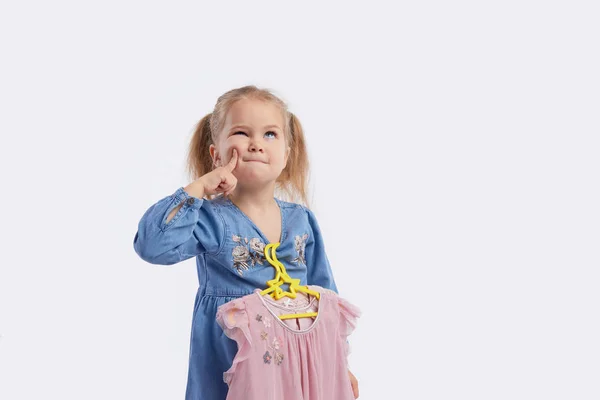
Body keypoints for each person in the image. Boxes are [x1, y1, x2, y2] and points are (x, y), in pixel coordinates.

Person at [133, 85, 359, 399]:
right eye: (241, 132)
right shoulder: (211, 220)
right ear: (216, 154)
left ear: (286, 155)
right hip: (233, 358)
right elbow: (152, 245)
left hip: (299, 362)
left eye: (270, 134)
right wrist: (198, 188)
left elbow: (325, 296)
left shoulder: (301, 221)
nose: (255, 144)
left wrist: (339, 362)